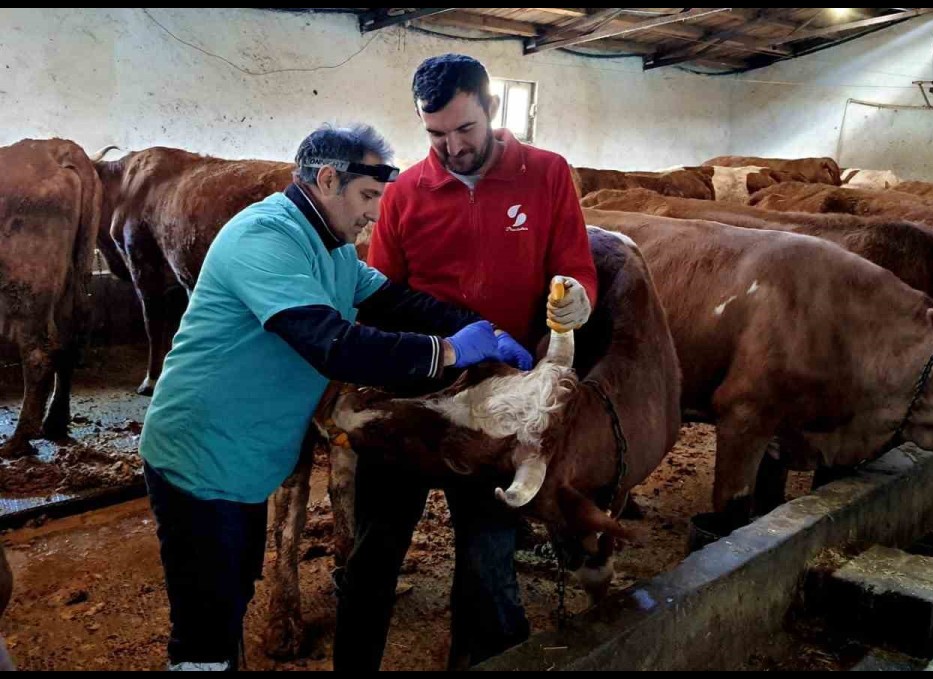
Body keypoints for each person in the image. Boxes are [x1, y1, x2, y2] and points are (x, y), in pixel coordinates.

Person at [139, 122, 532, 671]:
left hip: (246, 463)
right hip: (201, 459)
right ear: (327, 180)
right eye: (368, 197)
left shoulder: (334, 250)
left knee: (232, 599)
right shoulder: (265, 238)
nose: (374, 214)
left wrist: (482, 329)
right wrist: (447, 352)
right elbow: (333, 345)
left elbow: (398, 301)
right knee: (204, 627)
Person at [334, 54, 598, 671]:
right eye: (435, 135)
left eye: (464, 130)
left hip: (503, 398)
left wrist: (577, 297)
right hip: (417, 391)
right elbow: (383, 292)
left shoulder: (548, 175)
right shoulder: (403, 193)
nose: (451, 147)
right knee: (373, 552)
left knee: (486, 558)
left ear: (492, 110)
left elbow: (574, 266)